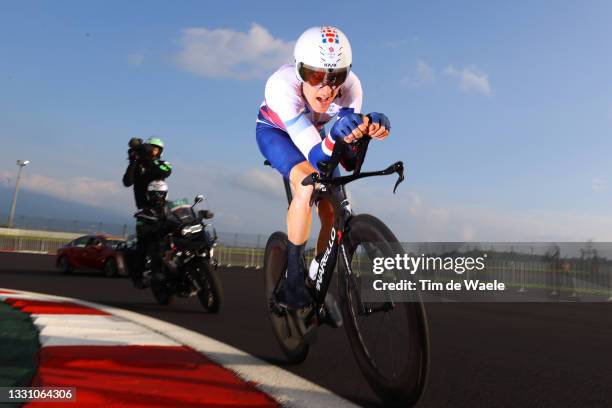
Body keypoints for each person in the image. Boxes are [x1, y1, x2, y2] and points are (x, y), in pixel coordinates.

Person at [255, 26, 391, 312]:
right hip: (277, 133)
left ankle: (317, 274)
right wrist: (337, 136)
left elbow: (349, 161)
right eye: (315, 76)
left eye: (335, 77)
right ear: (299, 70)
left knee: (334, 206)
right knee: (307, 186)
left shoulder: (351, 87)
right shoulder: (280, 86)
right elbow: (319, 158)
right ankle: (293, 278)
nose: (327, 89)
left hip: (315, 134)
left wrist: (366, 129)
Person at [122, 137, 172, 287]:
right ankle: (138, 277)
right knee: (143, 245)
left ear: (160, 151)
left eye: (155, 148)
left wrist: (147, 159)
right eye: (150, 148)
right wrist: (133, 161)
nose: (152, 150)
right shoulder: (137, 165)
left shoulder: (161, 164)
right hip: (145, 211)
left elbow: (166, 171)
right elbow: (127, 182)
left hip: (163, 209)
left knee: (174, 237)